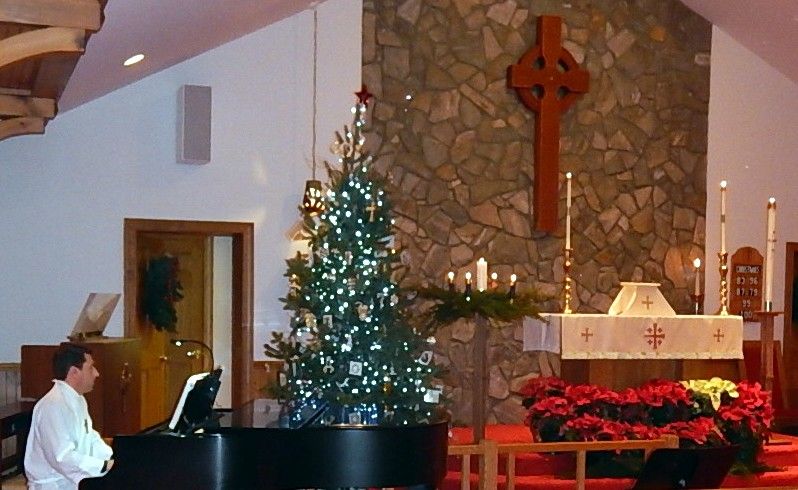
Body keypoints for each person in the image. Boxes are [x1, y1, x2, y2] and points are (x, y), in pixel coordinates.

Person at [24, 343, 114, 489]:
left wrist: (112, 457)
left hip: (73, 481)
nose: (96, 373)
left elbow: (90, 438)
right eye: (91, 368)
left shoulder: (78, 399)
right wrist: (102, 465)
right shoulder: (52, 405)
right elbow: (62, 457)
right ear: (74, 372)